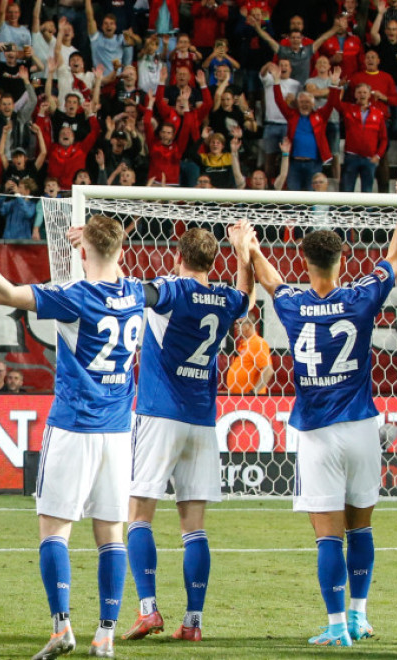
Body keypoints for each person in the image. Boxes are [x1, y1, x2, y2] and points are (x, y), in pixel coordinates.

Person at [247, 200, 397, 647]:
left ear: (306, 261)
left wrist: (248, 244)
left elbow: (268, 279)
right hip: (362, 428)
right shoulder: (360, 296)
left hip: (318, 434)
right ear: (342, 261)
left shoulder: (294, 304)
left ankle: (338, 625)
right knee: (361, 529)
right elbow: (396, 257)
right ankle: (360, 616)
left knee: (327, 539)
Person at [0, 214, 143, 659]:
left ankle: (61, 628)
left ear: (84, 252)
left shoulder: (75, 297)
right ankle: (106, 634)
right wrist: (91, 244)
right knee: (111, 533)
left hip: (73, 426)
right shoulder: (133, 292)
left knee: (54, 530)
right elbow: (114, 258)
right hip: (117, 431)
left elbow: (5, 294)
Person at [117, 224, 255, 644]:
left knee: (138, 515)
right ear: (214, 261)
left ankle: (148, 610)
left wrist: (110, 252)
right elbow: (246, 298)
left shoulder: (173, 290)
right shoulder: (227, 298)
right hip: (202, 421)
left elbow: (137, 294)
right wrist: (243, 254)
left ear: (179, 256)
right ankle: (193, 622)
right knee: (194, 527)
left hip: (159, 413)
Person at [225, 317, 274, 395]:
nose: (236, 327)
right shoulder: (243, 344)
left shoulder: (257, 343)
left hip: (250, 399)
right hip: (238, 397)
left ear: (250, 325)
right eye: (235, 324)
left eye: (240, 323)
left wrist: (254, 392)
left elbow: (268, 370)